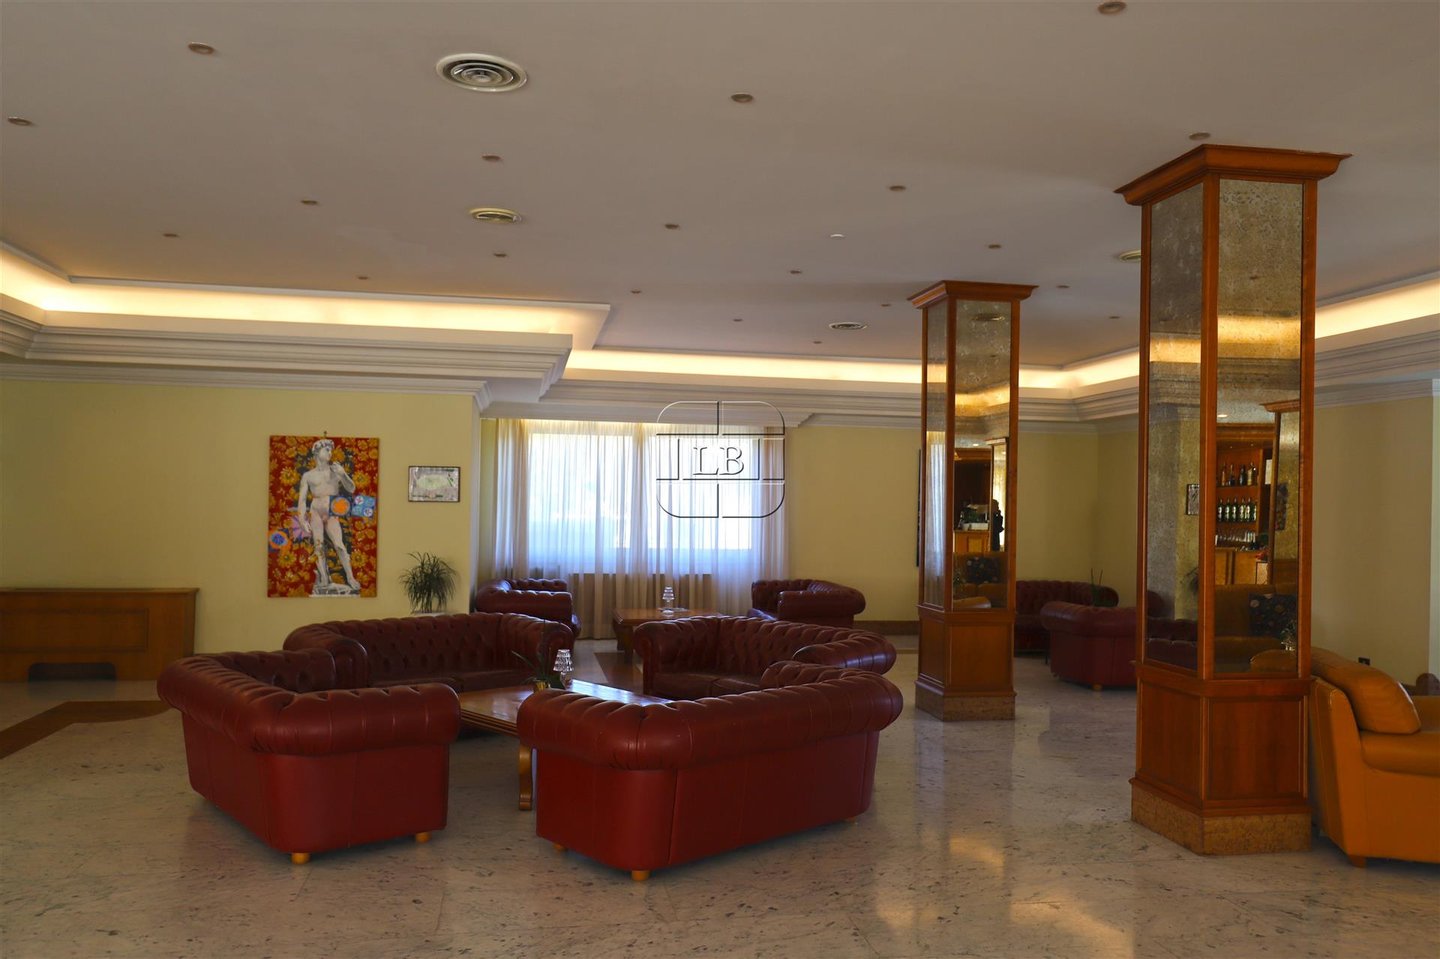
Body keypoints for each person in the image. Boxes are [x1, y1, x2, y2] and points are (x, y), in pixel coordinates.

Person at [297, 438, 361, 594]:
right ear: (317, 452)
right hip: (315, 511)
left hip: (331, 511)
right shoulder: (308, 475)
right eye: (327, 450)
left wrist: (343, 474)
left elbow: (351, 488)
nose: (330, 452)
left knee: (339, 545)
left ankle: (350, 577)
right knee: (319, 546)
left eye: (331, 450)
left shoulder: (335, 470)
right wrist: (301, 518)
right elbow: (302, 500)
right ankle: (324, 578)